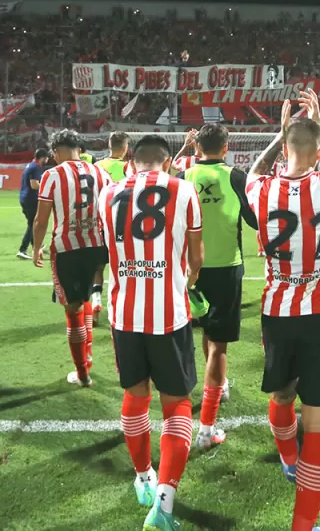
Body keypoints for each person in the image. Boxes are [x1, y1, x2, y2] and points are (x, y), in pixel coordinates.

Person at [248, 89, 320, 531]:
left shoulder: (259, 190)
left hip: (277, 314)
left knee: (281, 396)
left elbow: (253, 172)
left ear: (284, 148)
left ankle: (287, 459)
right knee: (319, 424)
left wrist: (280, 136)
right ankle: (303, 526)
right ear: (319, 153)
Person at [98, 135, 204, 531]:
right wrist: (186, 280)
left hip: (124, 313)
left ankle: (142, 477)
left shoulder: (107, 194)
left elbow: (109, 248)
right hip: (168, 313)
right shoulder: (184, 189)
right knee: (176, 404)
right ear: (166, 161)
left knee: (135, 394)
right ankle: (163, 503)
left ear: (131, 160)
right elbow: (196, 258)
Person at [183, 123, 259, 451]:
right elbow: (254, 220)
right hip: (227, 267)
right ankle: (207, 428)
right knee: (219, 345)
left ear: (197, 146)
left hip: (191, 271)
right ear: (226, 147)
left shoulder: (183, 175)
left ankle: (221, 384)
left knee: (206, 332)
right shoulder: (235, 176)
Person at [30, 130, 111, 388]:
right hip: (97, 246)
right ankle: (87, 359)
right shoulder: (100, 172)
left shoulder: (52, 175)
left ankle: (82, 373)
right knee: (86, 297)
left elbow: (41, 219)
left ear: (56, 151)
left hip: (68, 249)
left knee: (73, 308)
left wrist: (36, 247)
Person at [16, 148, 51, 260]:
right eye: (46, 157)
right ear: (43, 158)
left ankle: (37, 245)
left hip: (25, 198)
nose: (47, 159)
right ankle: (23, 249)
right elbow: (34, 185)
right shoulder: (35, 168)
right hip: (31, 200)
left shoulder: (31, 165)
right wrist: (47, 187)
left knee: (31, 223)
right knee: (33, 225)